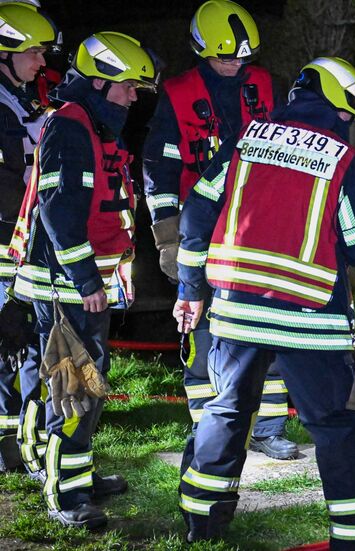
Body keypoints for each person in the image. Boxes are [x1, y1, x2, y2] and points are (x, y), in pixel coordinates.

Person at [172, 57, 355, 547]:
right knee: (334, 429)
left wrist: (190, 288)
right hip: (309, 320)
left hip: (235, 313)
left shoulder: (246, 141)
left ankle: (200, 524)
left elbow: (195, 216)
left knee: (227, 411)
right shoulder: (344, 160)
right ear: (342, 109)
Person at [8, 31, 158, 529]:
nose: (133, 96)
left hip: (82, 281)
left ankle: (74, 474)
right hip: (68, 284)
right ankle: (65, 494)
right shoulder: (71, 128)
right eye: (128, 87)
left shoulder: (92, 124)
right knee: (75, 387)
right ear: (99, 82)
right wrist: (88, 280)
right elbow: (58, 213)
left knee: (73, 384)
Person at [142, 0, 297, 461]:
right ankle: (209, 431)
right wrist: (167, 234)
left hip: (259, 229)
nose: (234, 65)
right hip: (202, 228)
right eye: (224, 56)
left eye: (242, 57)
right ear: (200, 50)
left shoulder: (267, 85)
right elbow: (159, 166)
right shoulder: (177, 94)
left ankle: (268, 427)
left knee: (266, 326)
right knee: (203, 327)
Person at [0, 0, 59, 478]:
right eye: (34, 52)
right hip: (4, 242)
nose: (42, 61)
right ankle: (7, 447)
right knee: (8, 344)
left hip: (22, 241)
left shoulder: (21, 99)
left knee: (27, 346)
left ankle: (24, 439)